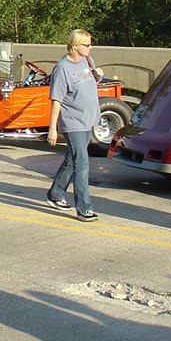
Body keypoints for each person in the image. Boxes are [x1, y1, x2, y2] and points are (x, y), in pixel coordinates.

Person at [46, 29, 100, 222]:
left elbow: (91, 83)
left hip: (87, 120)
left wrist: (98, 75)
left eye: (90, 43)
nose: (90, 47)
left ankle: (55, 194)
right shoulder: (62, 68)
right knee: (82, 164)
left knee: (72, 159)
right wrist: (52, 128)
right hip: (72, 122)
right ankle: (84, 208)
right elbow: (56, 100)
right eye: (87, 44)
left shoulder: (87, 61)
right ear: (76, 46)